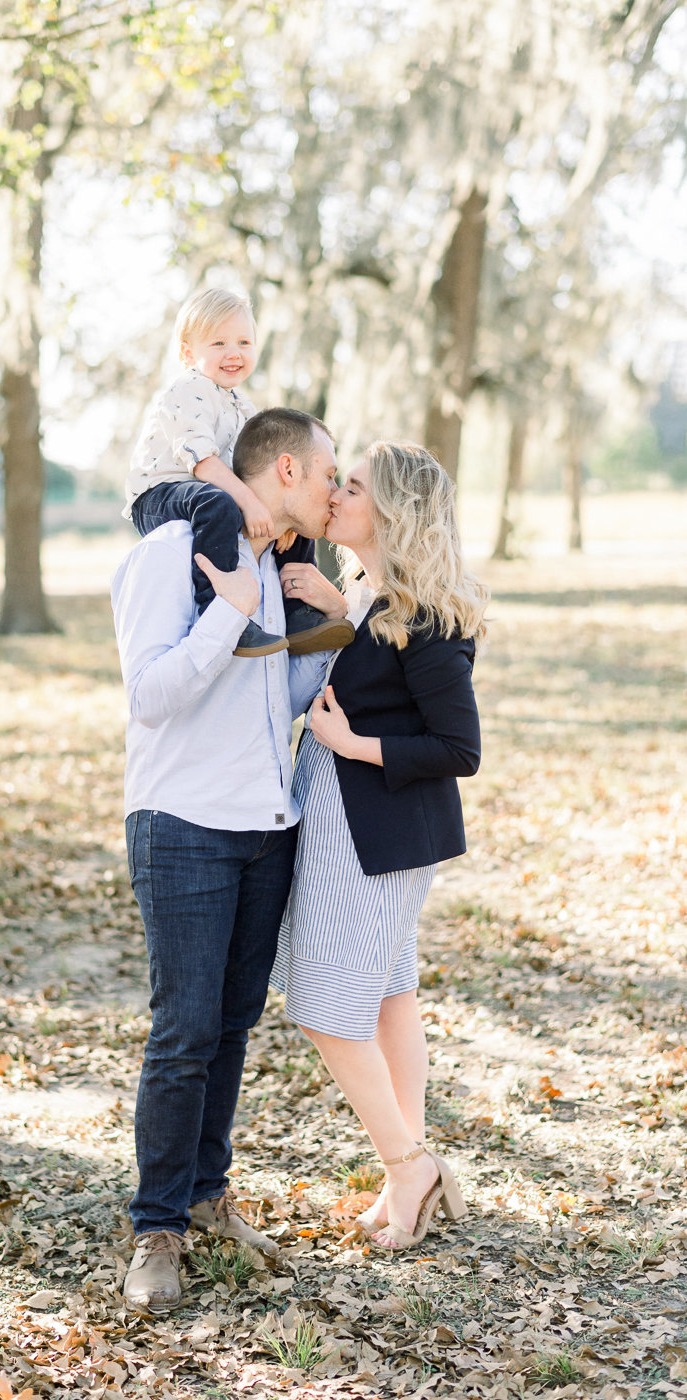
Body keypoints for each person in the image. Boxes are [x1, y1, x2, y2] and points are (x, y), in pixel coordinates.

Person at [111, 408, 351, 1313]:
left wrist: (331, 641)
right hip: (183, 823)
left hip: (266, 823)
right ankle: (156, 1229)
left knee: (233, 1024)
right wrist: (234, 616)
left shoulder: (280, 566)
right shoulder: (168, 552)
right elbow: (152, 695)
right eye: (329, 473)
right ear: (285, 469)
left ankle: (207, 1197)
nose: (336, 491)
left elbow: (274, 691)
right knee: (182, 1033)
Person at [271, 440, 489, 1252]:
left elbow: (458, 748)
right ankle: (408, 1178)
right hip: (358, 826)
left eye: (351, 486)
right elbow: (370, 658)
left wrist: (351, 742)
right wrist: (338, 609)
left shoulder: (424, 613)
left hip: (374, 836)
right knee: (392, 1000)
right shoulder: (373, 594)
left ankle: (408, 1166)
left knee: (328, 1013)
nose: (334, 494)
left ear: (390, 512)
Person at [124, 287, 354, 657]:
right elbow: (202, 462)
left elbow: (248, 470)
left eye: (244, 342)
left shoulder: (242, 405)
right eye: (218, 343)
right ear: (188, 353)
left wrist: (282, 520)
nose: (234, 353)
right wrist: (248, 501)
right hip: (160, 492)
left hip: (204, 492)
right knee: (220, 506)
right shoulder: (188, 389)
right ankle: (216, 610)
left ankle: (298, 615)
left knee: (296, 518)